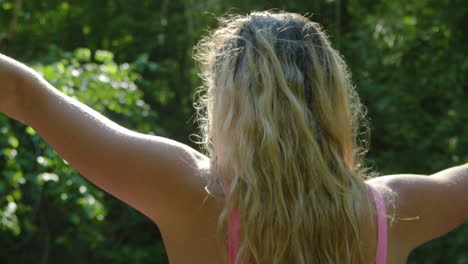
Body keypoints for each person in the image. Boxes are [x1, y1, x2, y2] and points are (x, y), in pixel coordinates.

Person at [0, 10, 466, 264]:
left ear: (225, 105)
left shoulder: (187, 191)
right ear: (333, 100)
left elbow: (24, 94)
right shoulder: (395, 210)